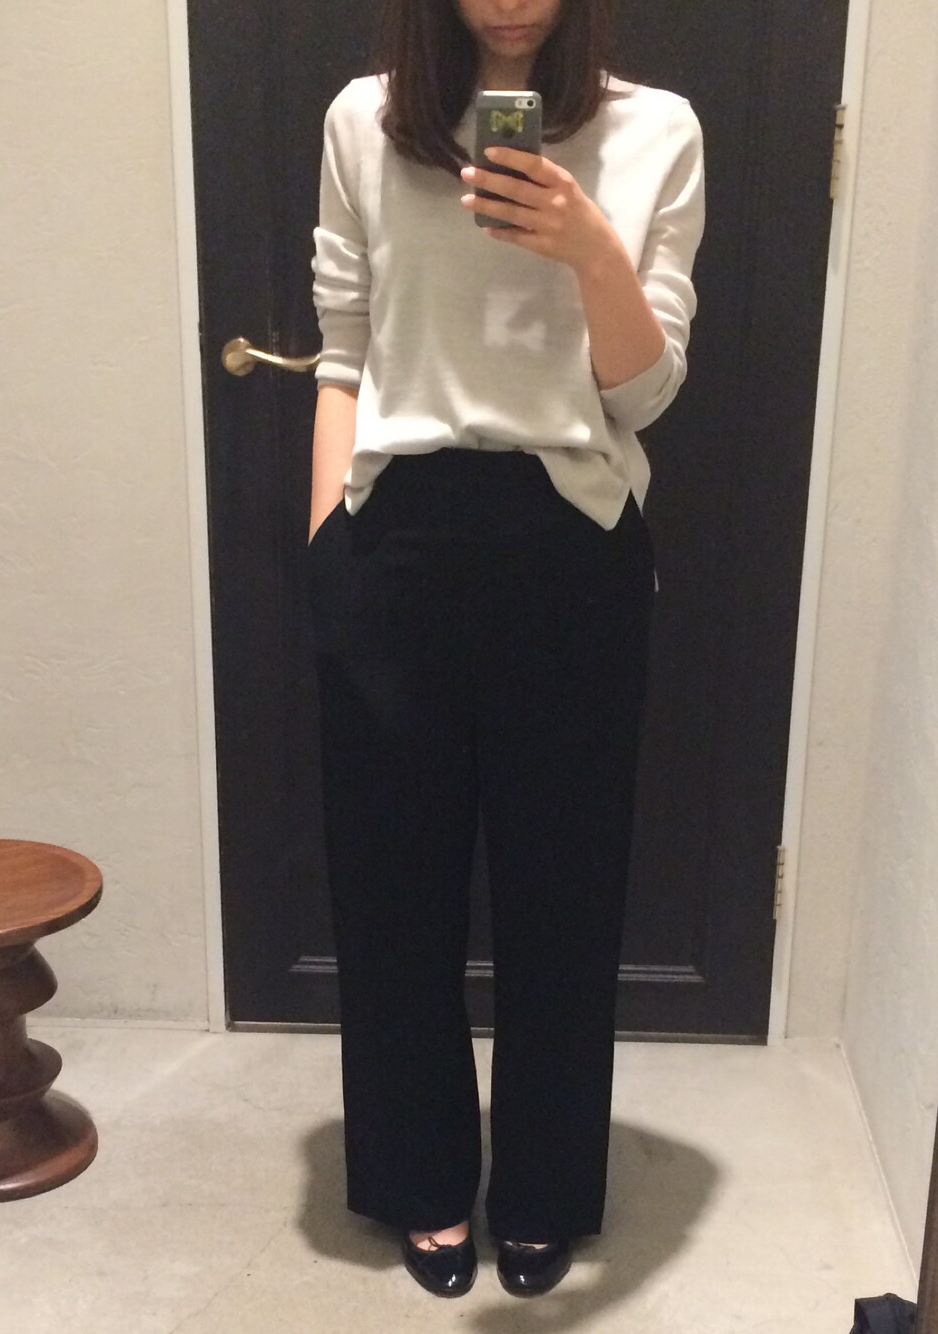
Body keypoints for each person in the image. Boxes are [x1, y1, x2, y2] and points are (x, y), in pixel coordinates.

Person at [306, 0, 705, 1301]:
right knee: (392, 891)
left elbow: (647, 391)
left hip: (571, 536)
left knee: (565, 890)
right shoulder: (365, 124)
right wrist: (328, 544)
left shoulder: (658, 132)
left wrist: (588, 247)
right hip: (397, 539)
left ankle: (542, 1188)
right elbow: (344, 347)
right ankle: (420, 1177)